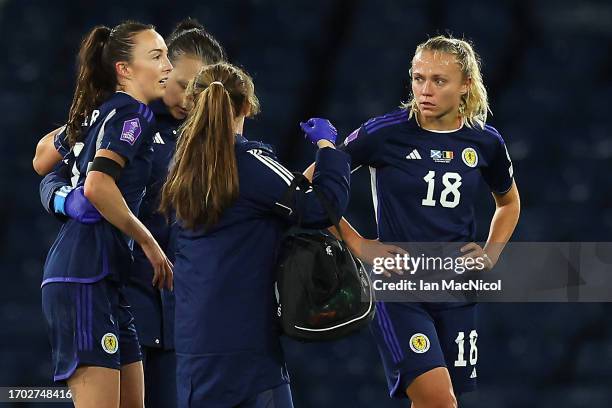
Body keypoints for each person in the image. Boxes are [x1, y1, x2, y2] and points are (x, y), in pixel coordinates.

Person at [303, 35, 521, 407]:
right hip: (398, 289)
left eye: (439, 80)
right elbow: (311, 184)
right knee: (440, 401)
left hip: (456, 289)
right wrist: (359, 244)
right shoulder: (384, 132)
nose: (425, 89)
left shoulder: (485, 142)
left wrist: (490, 254)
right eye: (419, 78)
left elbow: (509, 202)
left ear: (466, 84)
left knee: (431, 401)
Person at [37, 18, 226, 408]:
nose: (190, 92)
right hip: (112, 279)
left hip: (165, 307)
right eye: (181, 78)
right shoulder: (126, 115)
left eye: (202, 87)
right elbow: (53, 168)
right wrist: (63, 200)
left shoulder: (209, 139)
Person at [159, 62, 351, 407]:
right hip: (247, 346)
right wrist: (328, 148)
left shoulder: (179, 167)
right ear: (247, 105)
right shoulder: (250, 160)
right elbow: (322, 209)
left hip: (193, 347)